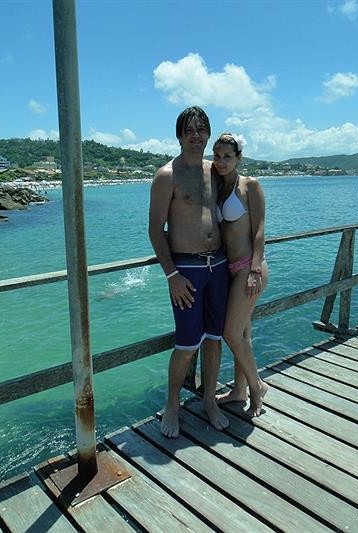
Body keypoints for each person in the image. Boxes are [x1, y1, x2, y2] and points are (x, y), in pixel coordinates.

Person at [149, 107, 230, 438]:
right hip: (187, 271)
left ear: (208, 134)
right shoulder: (167, 175)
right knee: (186, 344)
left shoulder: (216, 171)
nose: (196, 135)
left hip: (219, 266)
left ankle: (209, 400)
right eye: (189, 129)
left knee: (214, 339)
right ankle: (172, 405)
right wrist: (172, 276)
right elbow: (155, 230)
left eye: (201, 129)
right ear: (179, 135)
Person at [213, 133, 269, 417]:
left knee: (231, 333)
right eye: (217, 155)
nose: (221, 161)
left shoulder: (250, 185)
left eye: (227, 156)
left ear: (238, 158)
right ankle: (239, 390)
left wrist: (255, 270)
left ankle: (257, 386)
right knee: (243, 333)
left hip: (249, 267)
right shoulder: (218, 186)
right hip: (228, 269)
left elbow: (259, 230)